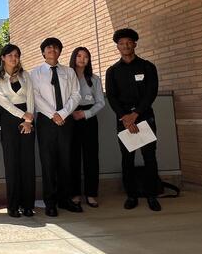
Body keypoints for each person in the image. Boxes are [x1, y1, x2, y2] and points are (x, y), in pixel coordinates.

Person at [105, 28, 162, 212]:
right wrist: (125, 118)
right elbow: (112, 97)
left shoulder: (147, 67)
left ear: (135, 44)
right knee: (127, 159)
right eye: (121, 43)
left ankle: (152, 195)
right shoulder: (112, 71)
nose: (125, 46)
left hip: (144, 118)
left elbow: (151, 93)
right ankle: (131, 195)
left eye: (128, 42)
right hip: (124, 121)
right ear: (117, 47)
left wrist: (135, 114)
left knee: (149, 157)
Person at [30, 37, 82, 217]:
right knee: (48, 163)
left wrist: (64, 113)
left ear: (60, 51)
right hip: (46, 121)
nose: (52, 50)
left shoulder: (69, 72)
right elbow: (35, 97)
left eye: (56, 47)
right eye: (48, 48)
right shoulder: (35, 73)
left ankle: (65, 199)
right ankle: (50, 202)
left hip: (66, 121)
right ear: (43, 52)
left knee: (66, 162)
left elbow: (76, 95)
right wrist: (53, 114)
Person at [0, 44, 36, 218]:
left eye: (16, 55)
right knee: (12, 164)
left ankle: (28, 205)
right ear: (2, 57)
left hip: (28, 120)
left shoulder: (26, 75)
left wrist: (29, 119)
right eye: (9, 55)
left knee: (27, 163)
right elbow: (2, 101)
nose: (13, 58)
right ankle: (13, 205)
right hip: (9, 121)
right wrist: (22, 115)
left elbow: (31, 96)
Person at [69, 47, 105, 208]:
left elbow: (100, 102)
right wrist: (70, 114)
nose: (82, 59)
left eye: (86, 57)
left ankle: (91, 194)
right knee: (73, 157)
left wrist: (86, 114)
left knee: (91, 157)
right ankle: (74, 193)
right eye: (79, 56)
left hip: (89, 119)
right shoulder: (67, 77)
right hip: (70, 118)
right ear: (74, 58)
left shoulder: (95, 79)